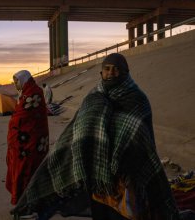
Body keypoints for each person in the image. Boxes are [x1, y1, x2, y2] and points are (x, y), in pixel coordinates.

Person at [12, 53, 180, 220]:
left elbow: (143, 139)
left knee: (125, 213)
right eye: (107, 69)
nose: (111, 73)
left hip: (126, 173)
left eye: (116, 69)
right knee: (101, 212)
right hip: (97, 174)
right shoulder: (93, 97)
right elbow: (75, 131)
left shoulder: (138, 99)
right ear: (101, 73)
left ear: (126, 72)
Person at [6, 70, 49, 211]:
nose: (15, 84)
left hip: (32, 142)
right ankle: (24, 202)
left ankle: (28, 203)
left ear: (24, 80)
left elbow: (24, 116)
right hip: (26, 142)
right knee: (22, 169)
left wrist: (14, 123)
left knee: (27, 170)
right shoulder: (26, 92)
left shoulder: (34, 93)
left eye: (16, 81)